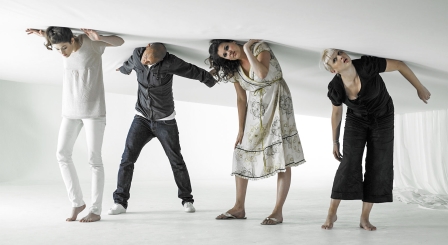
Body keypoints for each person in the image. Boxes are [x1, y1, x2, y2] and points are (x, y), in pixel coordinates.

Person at [320, 49, 431, 231]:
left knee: (378, 164)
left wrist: (419, 87)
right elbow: (336, 112)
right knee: (349, 163)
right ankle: (332, 212)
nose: (341, 57)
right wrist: (335, 141)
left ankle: (364, 218)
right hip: (356, 119)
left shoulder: (367, 66)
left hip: (383, 117)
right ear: (334, 70)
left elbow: (399, 65)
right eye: (335, 59)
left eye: (339, 53)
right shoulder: (336, 87)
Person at [25, 27, 124, 222]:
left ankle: (95, 210)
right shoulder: (62, 47)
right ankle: (77, 202)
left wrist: (99, 37)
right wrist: (44, 35)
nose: (62, 53)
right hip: (70, 111)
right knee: (62, 154)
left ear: (72, 40)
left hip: (94, 112)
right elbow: (55, 41)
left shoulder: (91, 44)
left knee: (94, 160)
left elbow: (120, 41)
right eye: (57, 50)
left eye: (64, 47)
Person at [108, 43, 217, 215]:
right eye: (145, 57)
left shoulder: (170, 62)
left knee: (176, 161)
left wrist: (210, 79)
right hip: (141, 118)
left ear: (160, 58)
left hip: (165, 121)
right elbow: (129, 64)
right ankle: (120, 202)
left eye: (149, 61)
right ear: (146, 48)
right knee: (127, 158)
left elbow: (192, 70)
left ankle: (187, 200)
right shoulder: (138, 54)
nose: (145, 61)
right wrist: (122, 69)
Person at [207, 39, 306, 225]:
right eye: (225, 55)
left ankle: (277, 211)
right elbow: (240, 99)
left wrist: (246, 49)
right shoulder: (234, 70)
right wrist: (241, 129)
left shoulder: (260, 48)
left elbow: (261, 73)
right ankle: (238, 207)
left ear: (233, 42)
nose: (230, 53)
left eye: (228, 48)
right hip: (255, 110)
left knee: (281, 157)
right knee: (241, 152)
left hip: (277, 103)